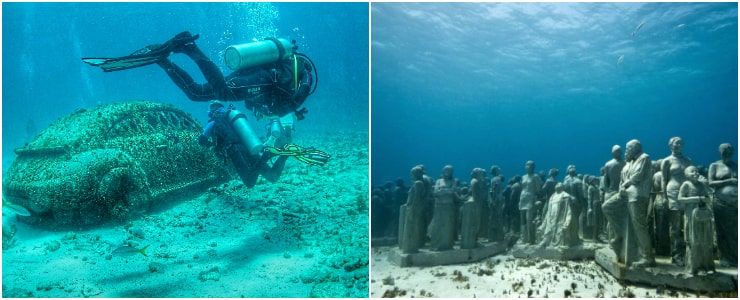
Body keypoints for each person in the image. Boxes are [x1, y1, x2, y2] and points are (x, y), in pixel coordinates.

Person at [83, 31, 317, 148]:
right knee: (223, 92)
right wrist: (292, 109)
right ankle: (189, 47)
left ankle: (164, 61)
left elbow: (262, 103)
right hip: (265, 79)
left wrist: (290, 111)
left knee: (196, 94)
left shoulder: (297, 79)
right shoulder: (303, 77)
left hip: (259, 81)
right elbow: (292, 99)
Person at [199, 101, 329, 187]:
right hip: (251, 146)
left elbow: (201, 140)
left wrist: (210, 145)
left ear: (212, 112)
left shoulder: (214, 121)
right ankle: (285, 154)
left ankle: (267, 155)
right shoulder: (232, 118)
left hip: (235, 150)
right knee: (272, 177)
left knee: (249, 182)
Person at [661, 137, 692, 267]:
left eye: (680, 143)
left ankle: (689, 253)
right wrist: (664, 196)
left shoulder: (688, 160)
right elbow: (664, 179)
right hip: (673, 192)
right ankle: (677, 254)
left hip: (686, 193)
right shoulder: (667, 161)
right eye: (675, 143)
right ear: (670, 146)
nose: (678, 145)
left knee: (688, 224)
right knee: (676, 225)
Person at [677, 166, 715, 275]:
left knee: (705, 240)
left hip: (702, 215)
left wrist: (704, 199)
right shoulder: (686, 185)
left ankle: (707, 265)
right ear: (686, 174)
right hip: (691, 216)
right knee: (693, 240)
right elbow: (680, 199)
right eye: (692, 171)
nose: (695, 173)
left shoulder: (702, 185)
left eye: (696, 171)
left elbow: (709, 198)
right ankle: (694, 267)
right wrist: (697, 199)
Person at [707, 143, 738, 267]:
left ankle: (736, 256)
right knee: (722, 230)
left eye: (730, 149)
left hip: (735, 203)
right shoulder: (714, 165)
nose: (727, 151)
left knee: (735, 230)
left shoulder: (736, 166)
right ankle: (725, 257)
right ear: (720, 152)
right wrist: (729, 181)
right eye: (725, 149)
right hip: (721, 202)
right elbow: (711, 182)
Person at [519, 161, 543, 245]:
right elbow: (522, 188)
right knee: (522, 220)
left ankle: (531, 239)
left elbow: (539, 190)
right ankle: (524, 239)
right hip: (522, 199)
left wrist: (537, 200)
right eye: (526, 165)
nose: (527, 166)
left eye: (529, 165)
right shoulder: (523, 177)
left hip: (531, 199)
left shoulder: (535, 177)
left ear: (533, 167)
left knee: (529, 219)